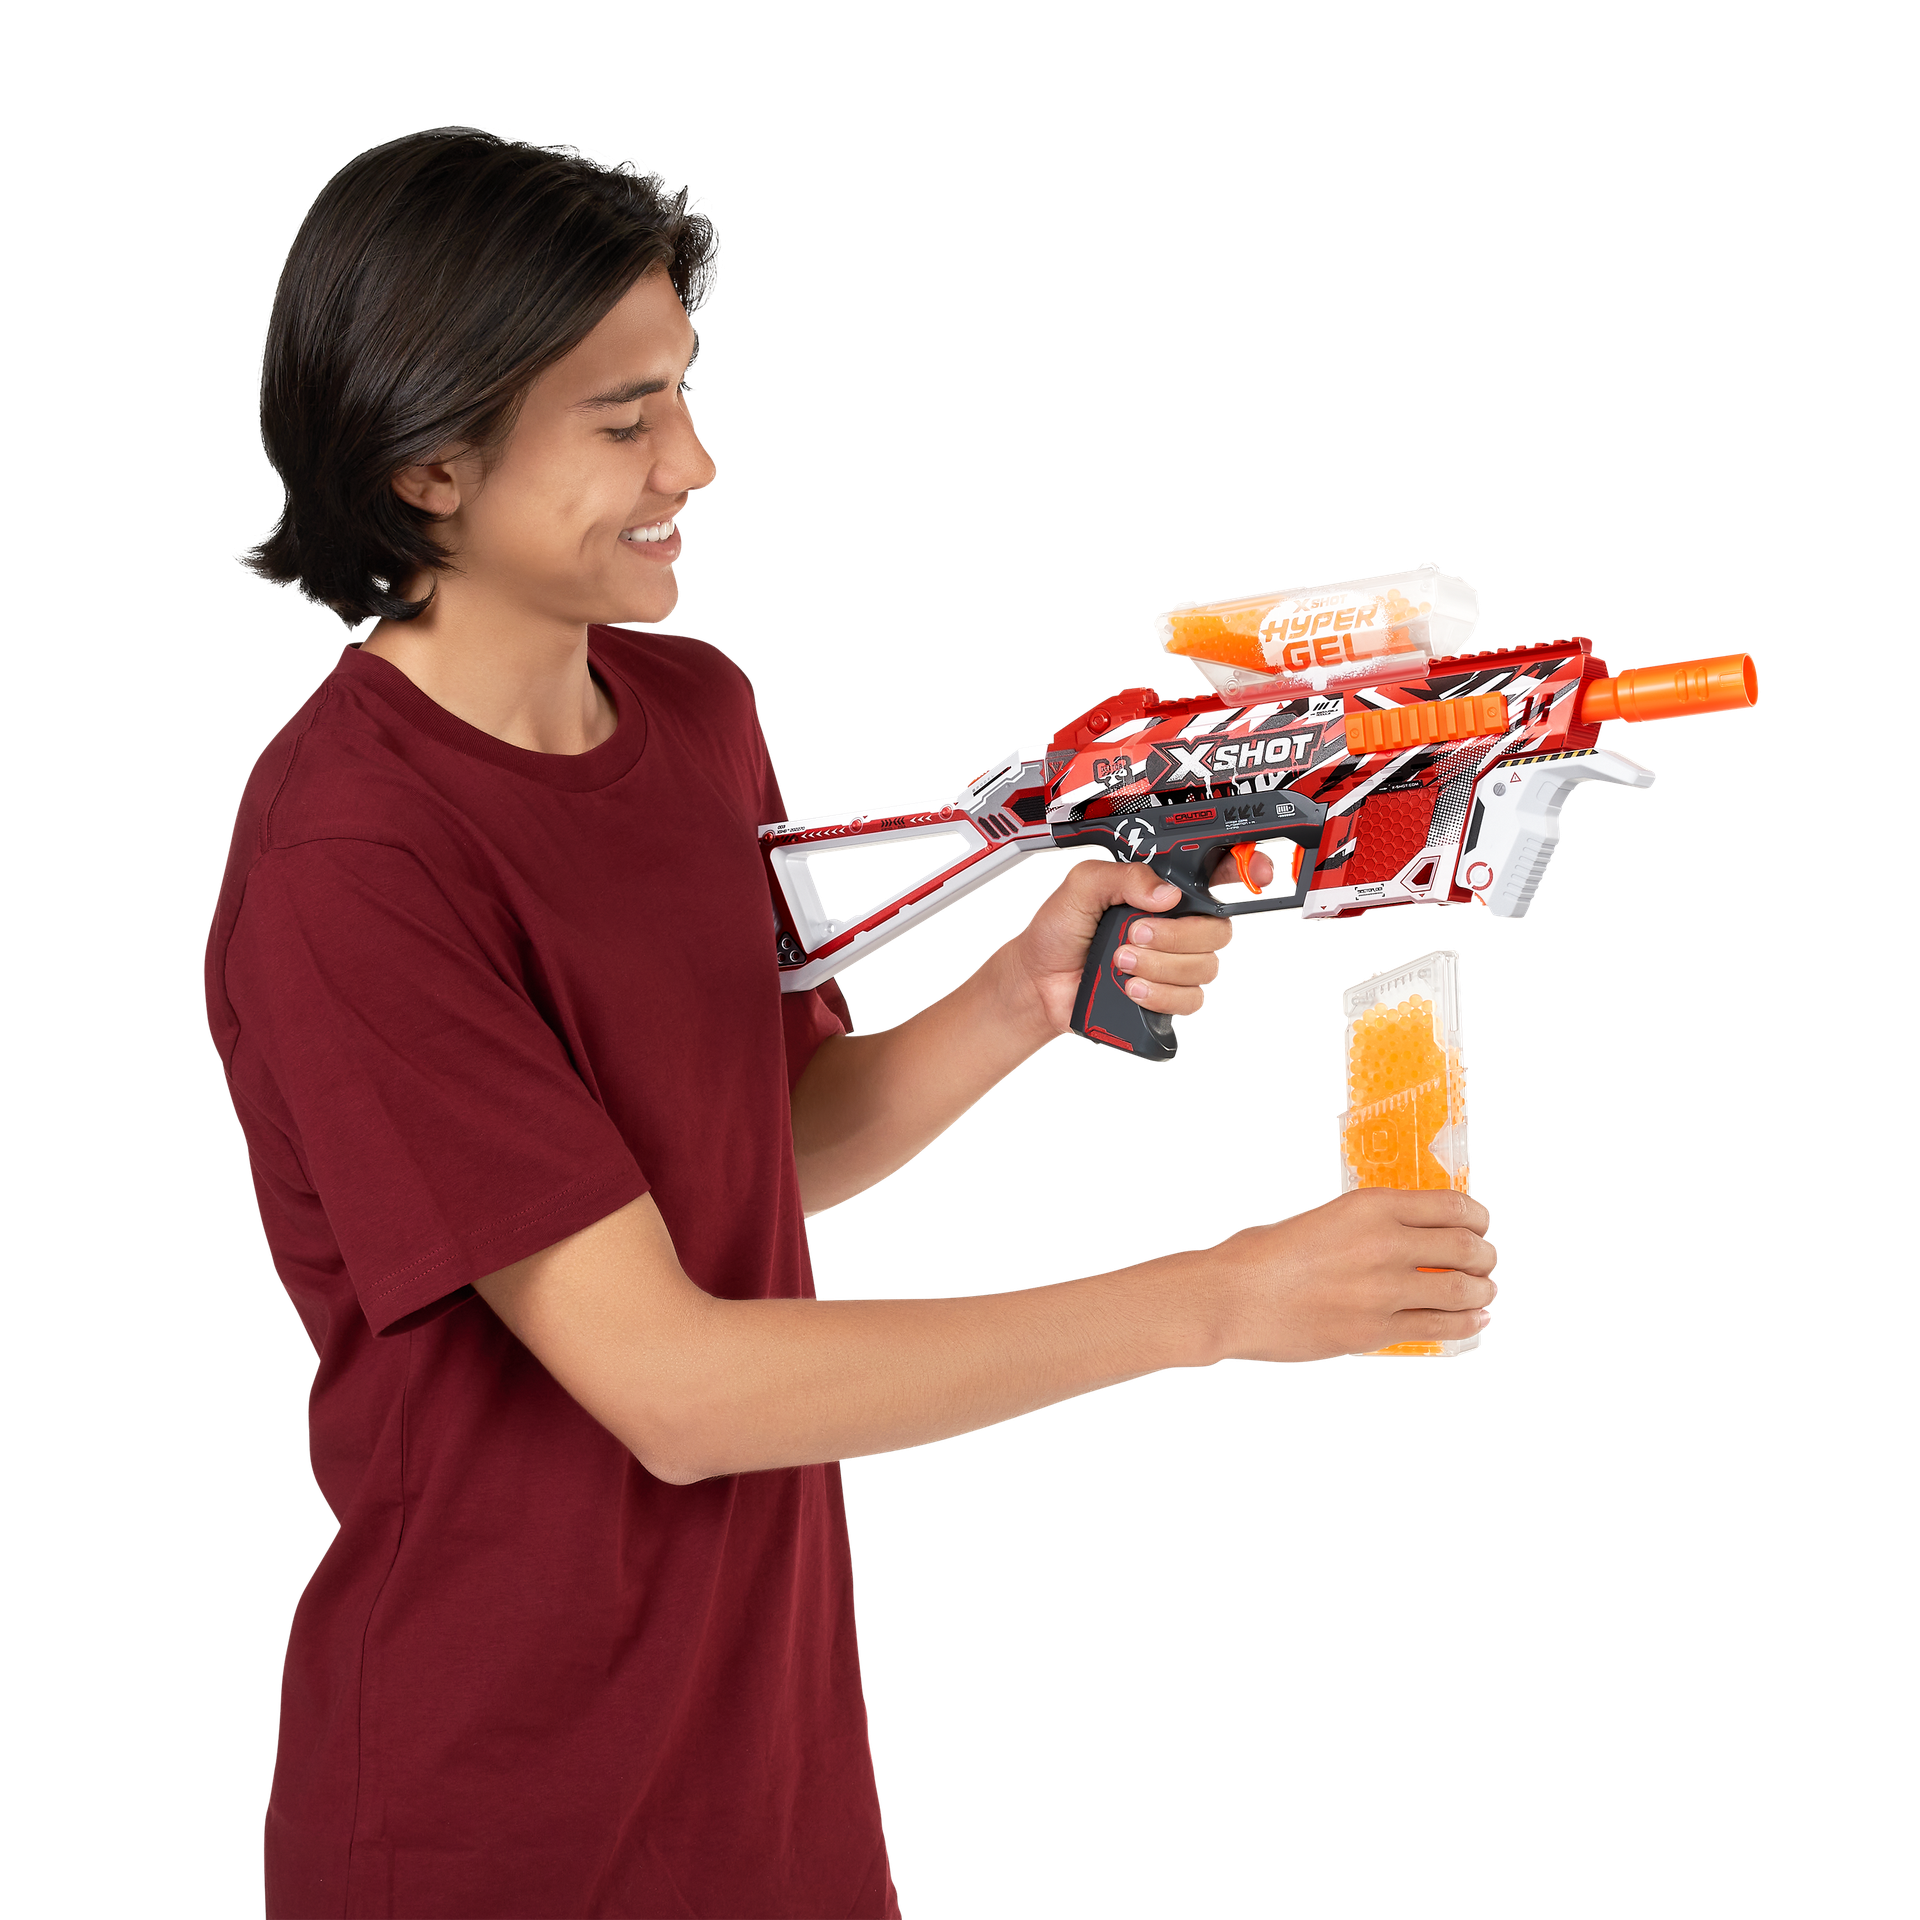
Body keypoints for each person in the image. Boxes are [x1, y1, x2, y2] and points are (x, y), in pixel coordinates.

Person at [209, 126, 1498, 1919]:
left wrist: (1022, 996)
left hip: (774, 1770)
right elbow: (671, 1388)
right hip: (493, 1819)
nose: (695, 462)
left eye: (685, 396)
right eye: (623, 419)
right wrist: (1215, 1304)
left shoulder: (694, 711)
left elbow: (761, 1155)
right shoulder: (355, 860)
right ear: (429, 464)